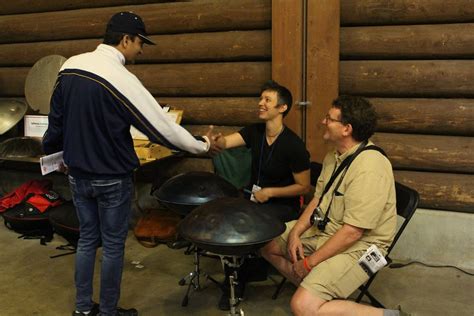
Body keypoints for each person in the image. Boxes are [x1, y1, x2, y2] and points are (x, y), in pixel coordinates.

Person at [42, 12, 215, 316]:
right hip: (111, 178)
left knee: (86, 242)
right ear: (125, 40)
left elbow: (55, 123)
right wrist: (200, 144)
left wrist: (55, 158)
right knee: (111, 246)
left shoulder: (68, 66)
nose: (141, 50)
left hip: (78, 176)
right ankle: (108, 312)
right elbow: (160, 127)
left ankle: (82, 310)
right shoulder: (120, 78)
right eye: (139, 43)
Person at [261, 95, 407, 316]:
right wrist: (296, 233)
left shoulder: (370, 168)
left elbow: (353, 232)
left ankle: (391, 315)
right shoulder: (334, 156)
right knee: (267, 243)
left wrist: (309, 264)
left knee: (302, 307)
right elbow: (318, 200)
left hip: (363, 246)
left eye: (329, 118)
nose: (323, 122)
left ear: (346, 129)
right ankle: (314, 288)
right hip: (327, 230)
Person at [213, 80, 311, 310]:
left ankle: (241, 277)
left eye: (267, 100)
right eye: (261, 99)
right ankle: (237, 277)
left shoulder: (294, 145)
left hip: (282, 205)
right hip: (255, 199)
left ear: (282, 108)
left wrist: (271, 192)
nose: (261, 103)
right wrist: (216, 141)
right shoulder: (254, 131)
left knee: (246, 223)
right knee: (228, 219)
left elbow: (304, 186)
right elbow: (227, 142)